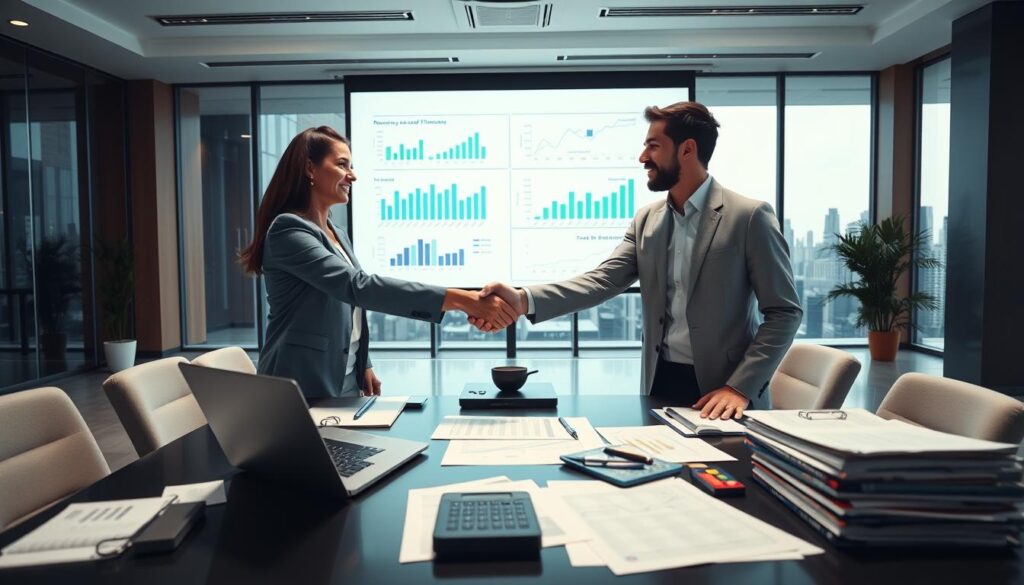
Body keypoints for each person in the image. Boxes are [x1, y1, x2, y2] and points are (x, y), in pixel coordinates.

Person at [471, 102, 802, 420]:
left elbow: (785, 311)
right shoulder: (648, 220)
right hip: (659, 385)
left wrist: (738, 387)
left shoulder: (749, 217)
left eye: (653, 147)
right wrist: (522, 299)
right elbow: (603, 280)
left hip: (724, 395)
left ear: (687, 150)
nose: (643, 157)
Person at [241, 126, 516, 398]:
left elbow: (350, 307)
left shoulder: (336, 233)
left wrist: (363, 363)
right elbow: (355, 287)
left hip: (344, 376)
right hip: (299, 382)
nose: (353, 175)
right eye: (341, 164)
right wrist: (461, 299)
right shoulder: (288, 230)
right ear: (309, 169)